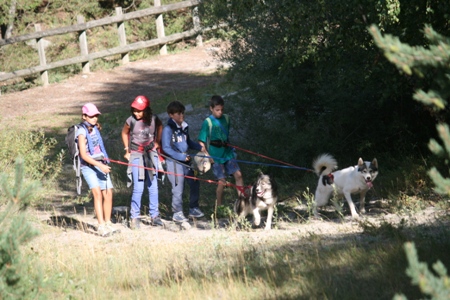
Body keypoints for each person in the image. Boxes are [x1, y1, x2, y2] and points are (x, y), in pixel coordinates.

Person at [121, 95, 164, 229]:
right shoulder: (130, 121)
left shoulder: (154, 119)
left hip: (151, 153)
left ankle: (154, 215)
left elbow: (160, 126)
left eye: (139, 110)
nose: (136, 113)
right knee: (138, 187)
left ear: (146, 109)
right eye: (134, 110)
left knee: (153, 185)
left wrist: (157, 142)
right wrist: (127, 150)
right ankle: (134, 217)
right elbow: (124, 133)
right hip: (136, 154)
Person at [77, 103, 119, 236]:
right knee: (97, 193)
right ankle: (100, 225)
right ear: (84, 116)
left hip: (101, 163)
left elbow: (99, 148)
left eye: (96, 115)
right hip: (88, 166)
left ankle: (108, 223)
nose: (94, 118)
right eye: (91, 116)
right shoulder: (81, 132)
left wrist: (103, 162)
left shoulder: (95, 128)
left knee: (108, 193)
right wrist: (99, 165)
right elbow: (83, 155)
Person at [161, 101, 206, 222]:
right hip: (174, 163)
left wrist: (199, 147)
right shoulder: (168, 129)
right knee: (178, 187)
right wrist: (181, 157)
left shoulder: (184, 127)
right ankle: (177, 212)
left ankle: (193, 208)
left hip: (186, 162)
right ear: (171, 115)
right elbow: (166, 148)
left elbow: (188, 142)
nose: (182, 115)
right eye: (178, 113)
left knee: (194, 183)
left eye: (182, 113)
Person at [198, 95, 244, 206]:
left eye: (222, 110)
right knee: (222, 182)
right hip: (215, 156)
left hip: (228, 153)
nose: (220, 112)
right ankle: (219, 206)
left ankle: (243, 203)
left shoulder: (227, 119)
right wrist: (208, 157)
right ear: (211, 108)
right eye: (217, 110)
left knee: (238, 175)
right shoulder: (207, 122)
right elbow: (201, 142)